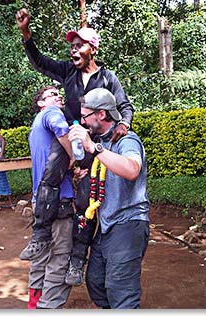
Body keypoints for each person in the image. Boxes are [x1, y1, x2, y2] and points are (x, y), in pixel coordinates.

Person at [16, 8, 134, 280]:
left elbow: (125, 106)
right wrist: (26, 33)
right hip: (72, 136)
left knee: (87, 200)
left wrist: (123, 125)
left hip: (96, 143)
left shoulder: (107, 78)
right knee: (49, 177)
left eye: (79, 46)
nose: (73, 50)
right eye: (71, 46)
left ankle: (77, 260)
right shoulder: (67, 71)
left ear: (92, 48)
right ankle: (40, 235)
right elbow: (40, 62)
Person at [68, 88, 150, 309]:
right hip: (107, 226)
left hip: (128, 223)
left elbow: (132, 169)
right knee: (95, 282)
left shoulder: (128, 140)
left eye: (85, 116)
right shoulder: (103, 140)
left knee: (121, 290)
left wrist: (93, 148)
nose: (83, 121)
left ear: (101, 115)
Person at [26, 86, 75, 309]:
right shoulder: (52, 113)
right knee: (60, 255)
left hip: (40, 199)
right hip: (59, 199)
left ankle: (34, 303)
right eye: (52, 95)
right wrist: (73, 157)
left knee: (41, 254)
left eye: (58, 94)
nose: (58, 97)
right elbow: (61, 128)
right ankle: (49, 307)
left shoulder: (35, 127)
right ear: (41, 103)